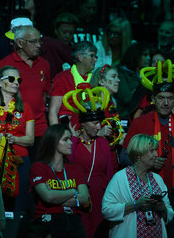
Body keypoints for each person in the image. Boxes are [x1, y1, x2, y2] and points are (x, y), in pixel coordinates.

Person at [121, 81, 174, 238]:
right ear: (153, 99)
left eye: (169, 98)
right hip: (146, 192)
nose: (165, 103)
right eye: (161, 98)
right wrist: (148, 163)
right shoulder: (140, 123)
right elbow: (124, 157)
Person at [0, 26, 50, 162]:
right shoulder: (3, 66)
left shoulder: (44, 64)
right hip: (12, 129)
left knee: (39, 171)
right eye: (33, 42)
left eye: (39, 41)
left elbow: (44, 94)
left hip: (39, 129)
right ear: (19, 43)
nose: (38, 45)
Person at [101, 134, 174, 238]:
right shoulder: (120, 178)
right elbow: (107, 210)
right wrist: (135, 205)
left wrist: (162, 209)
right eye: (151, 151)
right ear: (139, 154)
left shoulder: (157, 179)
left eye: (155, 150)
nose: (156, 154)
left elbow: (169, 211)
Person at [67, 89, 115, 238]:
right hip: (79, 194)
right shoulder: (73, 143)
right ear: (83, 123)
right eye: (95, 123)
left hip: (100, 193)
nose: (99, 126)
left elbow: (110, 171)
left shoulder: (102, 143)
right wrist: (74, 140)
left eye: (99, 122)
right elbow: (68, 165)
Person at [29, 124, 89, 238]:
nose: (71, 143)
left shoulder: (76, 169)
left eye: (70, 139)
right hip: (48, 220)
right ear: (54, 142)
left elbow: (84, 198)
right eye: (66, 140)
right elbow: (48, 197)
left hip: (73, 219)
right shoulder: (38, 167)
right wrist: (73, 192)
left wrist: (54, 196)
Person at [0, 66, 34, 211]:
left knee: (19, 205)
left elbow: (30, 139)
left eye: (18, 80)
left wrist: (14, 139)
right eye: (11, 79)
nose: (16, 82)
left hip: (20, 161)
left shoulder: (25, 108)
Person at [48, 41, 97, 128]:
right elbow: (53, 110)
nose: (95, 60)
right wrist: (57, 135)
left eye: (96, 56)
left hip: (93, 128)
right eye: (92, 56)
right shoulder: (62, 78)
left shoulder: (96, 78)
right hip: (69, 129)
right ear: (80, 57)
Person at [115, 42, 150, 120]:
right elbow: (126, 98)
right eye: (145, 55)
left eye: (149, 55)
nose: (149, 58)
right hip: (126, 117)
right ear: (135, 56)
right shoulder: (121, 74)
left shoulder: (147, 74)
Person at [41, 12, 79, 79]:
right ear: (56, 30)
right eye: (64, 32)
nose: (67, 36)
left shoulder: (76, 51)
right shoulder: (47, 47)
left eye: (71, 33)